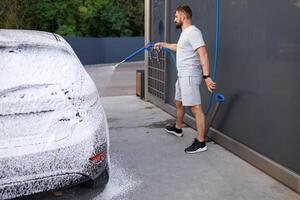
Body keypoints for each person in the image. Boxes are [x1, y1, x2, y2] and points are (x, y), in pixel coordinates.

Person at [154, 5, 216, 153]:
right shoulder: (185, 33)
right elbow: (179, 47)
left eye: (176, 16)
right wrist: (163, 45)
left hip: (189, 75)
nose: (174, 19)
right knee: (179, 102)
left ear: (182, 17)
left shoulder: (193, 32)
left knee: (195, 108)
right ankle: (178, 128)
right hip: (182, 75)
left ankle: (201, 142)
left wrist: (206, 77)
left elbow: (203, 54)